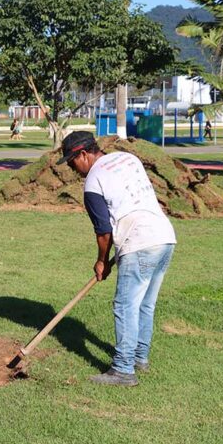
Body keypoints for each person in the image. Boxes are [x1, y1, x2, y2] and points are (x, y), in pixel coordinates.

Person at [58, 131, 176, 387]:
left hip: (140, 242)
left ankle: (123, 369)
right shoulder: (126, 158)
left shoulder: (92, 182)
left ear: (83, 154)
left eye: (71, 162)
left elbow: (103, 231)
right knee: (145, 303)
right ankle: (139, 358)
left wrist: (101, 260)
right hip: (165, 237)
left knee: (125, 305)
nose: (71, 168)